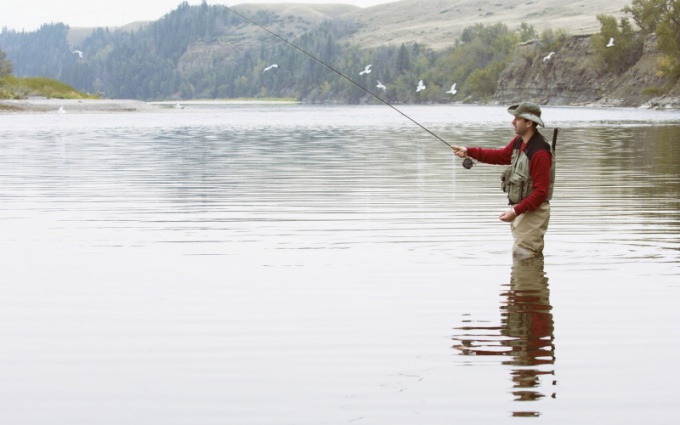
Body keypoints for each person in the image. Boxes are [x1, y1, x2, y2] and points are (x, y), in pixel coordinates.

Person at [452, 102, 555, 258]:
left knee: (524, 254)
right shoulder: (519, 141)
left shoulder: (540, 152)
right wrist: (469, 151)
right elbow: (500, 156)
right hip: (523, 209)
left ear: (528, 123)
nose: (512, 122)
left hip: (533, 212)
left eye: (517, 119)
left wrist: (514, 211)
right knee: (522, 255)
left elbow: (541, 192)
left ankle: (529, 282)